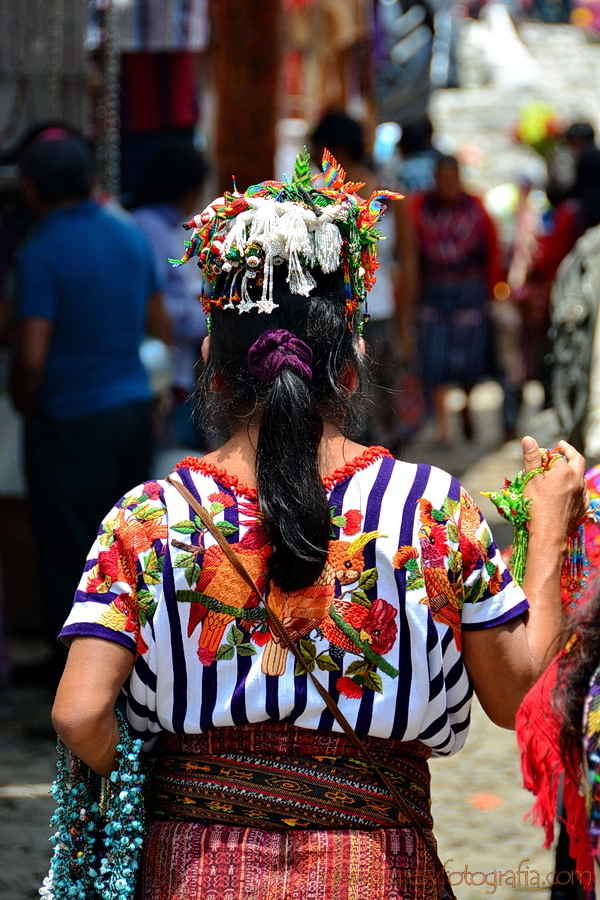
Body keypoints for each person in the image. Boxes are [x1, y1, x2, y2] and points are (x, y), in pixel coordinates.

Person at [51, 153, 587, 900]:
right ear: (353, 367)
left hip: (193, 870)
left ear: (213, 369)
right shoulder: (431, 508)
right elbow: (518, 695)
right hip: (377, 870)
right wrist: (549, 532)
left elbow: (79, 716)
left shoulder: (146, 520)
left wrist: (155, 784)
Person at [10, 136, 170, 667]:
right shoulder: (127, 237)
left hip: (70, 423)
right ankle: (132, 684)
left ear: (31, 190)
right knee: (127, 555)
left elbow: (31, 353)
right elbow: (159, 326)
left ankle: (74, 691)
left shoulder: (41, 250)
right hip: (130, 415)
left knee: (69, 558)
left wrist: (24, 400)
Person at [311, 111, 418, 450]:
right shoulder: (385, 194)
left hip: (335, 318)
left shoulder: (317, 196)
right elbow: (409, 268)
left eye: (317, 147)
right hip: (378, 314)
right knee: (375, 418)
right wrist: (404, 331)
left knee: (343, 417)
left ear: (335, 149)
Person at [403, 154, 503, 445]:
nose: (447, 185)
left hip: (469, 290)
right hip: (434, 289)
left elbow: (492, 250)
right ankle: (445, 426)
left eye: (452, 178)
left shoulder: (475, 207)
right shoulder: (420, 207)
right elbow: (411, 254)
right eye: (442, 178)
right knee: (435, 357)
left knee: (469, 358)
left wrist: (494, 289)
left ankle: (467, 405)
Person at [131, 140, 208, 449]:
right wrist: (203, 318)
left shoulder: (177, 227)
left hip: (183, 368)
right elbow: (152, 304)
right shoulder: (146, 228)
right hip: (161, 369)